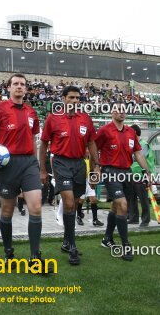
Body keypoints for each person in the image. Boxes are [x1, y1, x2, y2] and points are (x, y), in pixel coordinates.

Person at [0, 73, 51, 272]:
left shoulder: (31, 112)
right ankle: (8, 252)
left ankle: (35, 257)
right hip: (6, 165)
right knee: (7, 211)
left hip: (28, 163)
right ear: (9, 88)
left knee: (35, 208)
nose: (19, 87)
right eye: (15, 84)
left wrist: (38, 164)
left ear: (26, 89)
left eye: (22, 84)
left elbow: (36, 139)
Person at [39, 85, 100, 265]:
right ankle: (72, 246)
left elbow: (91, 143)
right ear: (63, 98)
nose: (75, 101)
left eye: (77, 98)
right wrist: (42, 169)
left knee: (73, 205)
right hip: (60, 163)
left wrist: (97, 166)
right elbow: (43, 145)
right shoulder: (53, 118)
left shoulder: (86, 119)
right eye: (71, 97)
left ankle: (66, 241)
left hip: (80, 164)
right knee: (69, 202)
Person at [95, 102, 152, 261]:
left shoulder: (131, 132)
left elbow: (139, 154)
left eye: (123, 110)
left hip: (126, 172)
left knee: (115, 206)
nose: (121, 112)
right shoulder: (104, 130)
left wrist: (147, 172)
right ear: (112, 112)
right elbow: (93, 148)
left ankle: (107, 239)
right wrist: (97, 167)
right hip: (110, 171)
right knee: (123, 205)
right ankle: (126, 245)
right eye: (118, 110)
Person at [128, 125, 152, 227]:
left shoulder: (144, 144)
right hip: (132, 174)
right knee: (132, 198)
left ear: (135, 133)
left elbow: (140, 158)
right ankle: (133, 218)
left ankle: (145, 220)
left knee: (143, 199)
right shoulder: (132, 145)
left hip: (142, 175)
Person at [76, 149, 104, 227]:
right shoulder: (80, 159)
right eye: (87, 149)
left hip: (89, 180)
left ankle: (95, 219)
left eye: (88, 149)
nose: (87, 151)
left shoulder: (91, 159)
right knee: (81, 200)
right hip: (81, 180)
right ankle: (78, 216)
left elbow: (94, 168)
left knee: (93, 199)